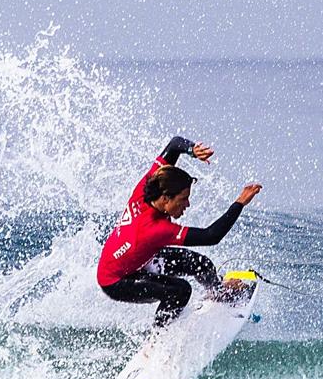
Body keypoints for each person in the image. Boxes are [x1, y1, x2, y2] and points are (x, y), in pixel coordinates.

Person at [97, 135, 263, 327]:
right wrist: (240, 203)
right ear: (166, 198)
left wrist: (192, 150)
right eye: (183, 199)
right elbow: (212, 236)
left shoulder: (151, 185)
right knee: (179, 290)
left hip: (140, 259)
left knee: (200, 263)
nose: (187, 204)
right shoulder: (154, 229)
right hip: (117, 282)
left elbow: (175, 144)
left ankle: (219, 293)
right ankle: (158, 338)